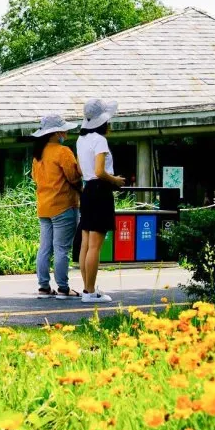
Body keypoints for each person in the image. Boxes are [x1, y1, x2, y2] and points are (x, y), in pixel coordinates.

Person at [76, 99, 125, 303]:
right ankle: (89, 292)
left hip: (87, 190)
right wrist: (116, 180)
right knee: (95, 245)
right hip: (100, 190)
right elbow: (99, 171)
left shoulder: (81, 140)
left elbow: (82, 170)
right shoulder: (100, 140)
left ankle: (88, 289)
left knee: (86, 244)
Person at [30, 114, 82, 299]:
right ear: (56, 133)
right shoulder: (63, 151)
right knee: (61, 249)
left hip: (44, 207)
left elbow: (35, 178)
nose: (66, 132)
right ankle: (63, 288)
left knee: (45, 248)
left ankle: (43, 287)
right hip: (63, 206)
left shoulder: (38, 155)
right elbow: (74, 176)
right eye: (64, 129)